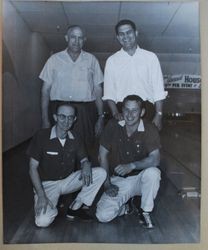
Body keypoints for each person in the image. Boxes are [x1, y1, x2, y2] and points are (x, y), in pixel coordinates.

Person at [27, 102, 106, 227]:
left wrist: (86, 164)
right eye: (62, 116)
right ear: (55, 117)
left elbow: (84, 159)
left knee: (101, 173)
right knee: (42, 222)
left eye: (70, 117)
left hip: (67, 182)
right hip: (47, 186)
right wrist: (41, 195)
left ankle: (75, 206)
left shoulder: (76, 137)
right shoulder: (41, 136)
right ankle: (54, 205)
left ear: (74, 119)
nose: (66, 121)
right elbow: (32, 168)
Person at [39, 25, 104, 161]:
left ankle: (84, 179)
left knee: (85, 149)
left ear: (84, 40)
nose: (76, 41)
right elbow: (45, 91)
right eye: (73, 37)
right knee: (57, 147)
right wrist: (45, 118)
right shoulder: (54, 60)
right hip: (59, 109)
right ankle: (59, 179)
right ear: (66, 38)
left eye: (80, 38)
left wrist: (100, 117)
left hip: (85, 112)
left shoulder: (92, 60)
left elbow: (98, 90)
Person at [96, 95, 161, 228]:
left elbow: (156, 159)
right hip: (119, 181)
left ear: (142, 112)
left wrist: (132, 165)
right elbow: (102, 155)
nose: (129, 115)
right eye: (126, 109)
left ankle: (145, 211)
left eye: (134, 110)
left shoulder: (149, 128)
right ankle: (126, 207)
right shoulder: (113, 125)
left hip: (140, 179)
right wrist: (107, 184)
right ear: (122, 110)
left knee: (153, 173)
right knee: (103, 216)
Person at [103, 19, 167, 130]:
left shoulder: (151, 57)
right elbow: (109, 93)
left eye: (129, 32)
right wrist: (115, 114)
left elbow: (158, 90)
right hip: (122, 111)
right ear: (118, 37)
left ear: (136, 33)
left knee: (147, 146)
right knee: (123, 147)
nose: (125, 36)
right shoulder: (112, 60)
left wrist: (159, 115)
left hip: (147, 110)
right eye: (121, 34)